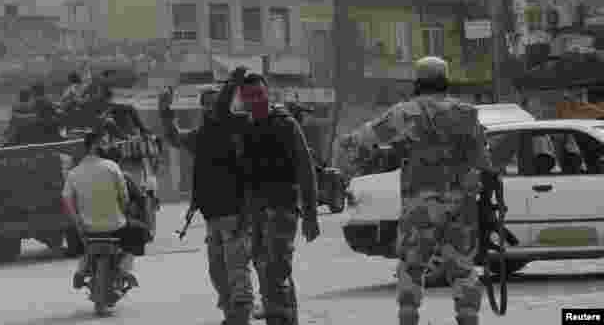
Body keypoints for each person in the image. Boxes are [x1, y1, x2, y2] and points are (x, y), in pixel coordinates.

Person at [333, 57, 494, 325]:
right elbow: (485, 163)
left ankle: (409, 319)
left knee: (411, 267)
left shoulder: (405, 112)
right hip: (459, 208)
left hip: (420, 207)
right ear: (445, 81)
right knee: (464, 270)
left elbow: (363, 141)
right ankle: (468, 318)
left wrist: (345, 159)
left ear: (417, 83)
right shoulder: (467, 114)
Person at [157, 68, 255, 325]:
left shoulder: (238, 133)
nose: (212, 109)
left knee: (236, 269)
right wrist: (165, 112)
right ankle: (231, 313)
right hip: (213, 215)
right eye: (207, 105)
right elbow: (174, 138)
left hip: (236, 213)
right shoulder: (201, 137)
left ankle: (241, 316)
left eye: (216, 104)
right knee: (218, 271)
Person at [233, 74, 320, 324]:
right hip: (256, 214)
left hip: (282, 210)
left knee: (274, 273)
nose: (256, 100)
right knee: (267, 272)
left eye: (260, 94)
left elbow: (306, 170)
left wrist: (311, 215)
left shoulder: (285, 125)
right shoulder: (245, 129)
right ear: (243, 100)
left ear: (268, 94)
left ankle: (279, 319)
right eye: (249, 96)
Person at [62, 127, 143, 292]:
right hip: (115, 225)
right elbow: (124, 197)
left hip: (86, 228)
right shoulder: (112, 167)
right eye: (104, 143)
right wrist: (123, 210)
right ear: (94, 146)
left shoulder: (73, 174)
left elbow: (67, 199)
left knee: (80, 243)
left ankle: (80, 269)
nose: (107, 147)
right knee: (140, 232)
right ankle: (124, 268)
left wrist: (77, 221)